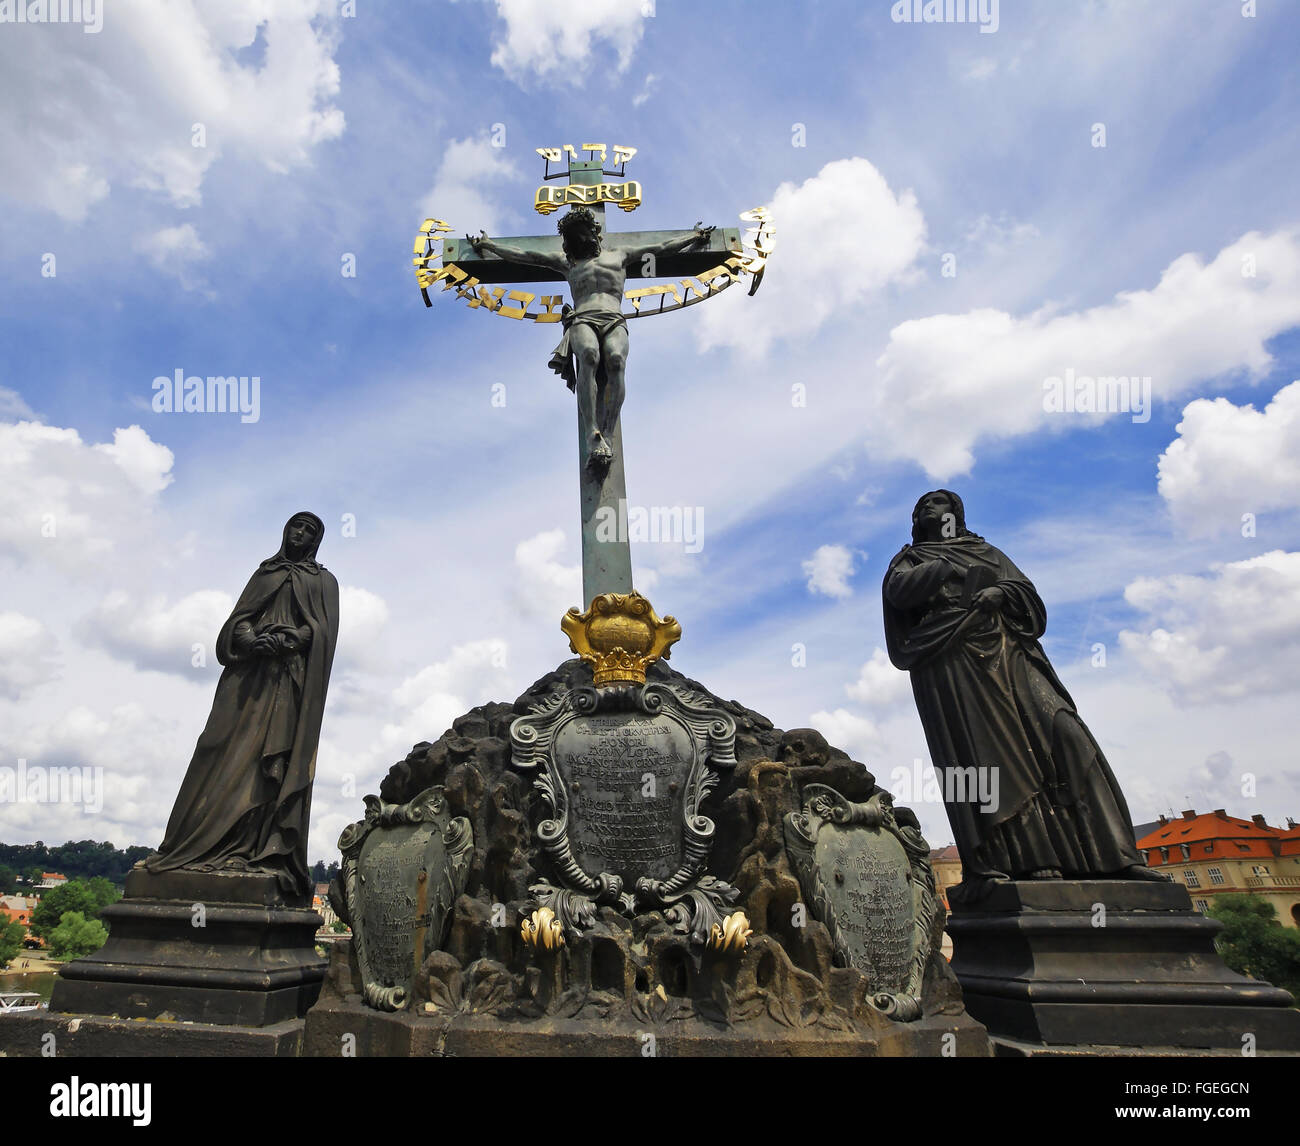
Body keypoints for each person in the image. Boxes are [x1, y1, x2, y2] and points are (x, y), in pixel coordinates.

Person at [883, 490, 1165, 888]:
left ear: (956, 514)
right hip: (954, 660)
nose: (930, 508)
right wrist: (943, 568)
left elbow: (1028, 596)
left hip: (1009, 649)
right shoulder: (909, 560)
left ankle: (1115, 854)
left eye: (940, 502)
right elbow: (899, 593)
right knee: (991, 758)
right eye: (923, 505)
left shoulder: (988, 552)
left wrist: (1001, 592)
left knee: (1066, 734)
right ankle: (1029, 861)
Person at [145, 512, 339, 898]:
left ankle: (250, 849)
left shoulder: (323, 581)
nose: (300, 534)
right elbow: (239, 619)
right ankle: (188, 844)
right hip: (247, 677)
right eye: (295, 526)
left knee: (268, 763)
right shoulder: (265, 572)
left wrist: (292, 638)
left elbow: (323, 633)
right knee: (213, 747)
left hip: (288, 682)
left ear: (317, 540)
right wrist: (249, 638)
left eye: (309, 530)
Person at [468, 205, 713, 468]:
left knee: (616, 359)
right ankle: (591, 432)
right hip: (583, 317)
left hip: (613, 318)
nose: (579, 241)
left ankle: (606, 432)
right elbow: (526, 255)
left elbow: (662, 247)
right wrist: (490, 245)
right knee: (588, 355)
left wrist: (693, 238)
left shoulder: (620, 255)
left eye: (583, 234)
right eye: (573, 238)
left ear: (595, 234)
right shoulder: (567, 263)